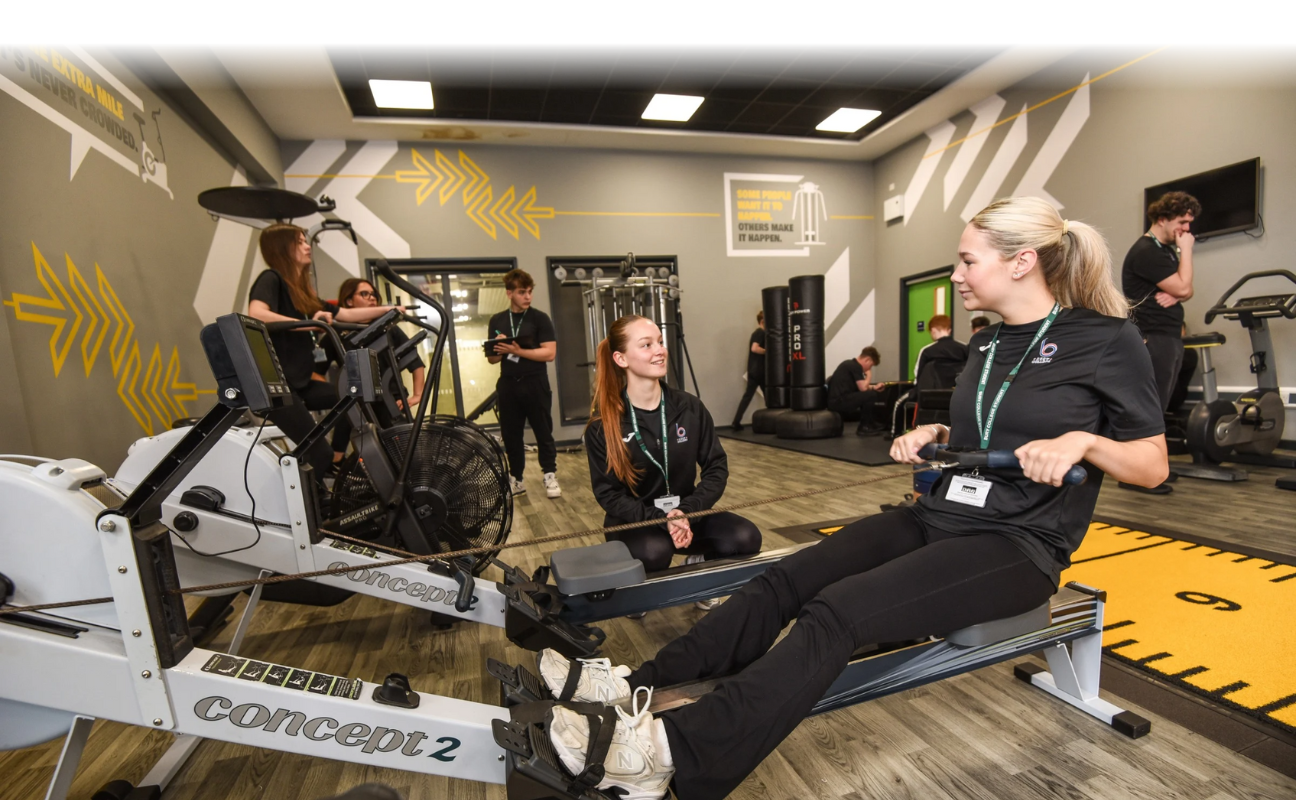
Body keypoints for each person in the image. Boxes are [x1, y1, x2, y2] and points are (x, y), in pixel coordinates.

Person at [534, 196, 1168, 800]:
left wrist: (1085, 442)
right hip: (937, 515)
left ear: (1022, 260)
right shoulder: (986, 342)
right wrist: (936, 433)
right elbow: (984, 433)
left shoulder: (1107, 340)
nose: (957, 272)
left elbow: (1152, 466)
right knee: (783, 579)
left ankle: (668, 752)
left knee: (839, 612)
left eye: (968, 260)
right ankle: (632, 686)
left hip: (1018, 544)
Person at [585, 315, 761, 583]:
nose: (659, 350)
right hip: (635, 522)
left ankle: (699, 564)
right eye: (646, 345)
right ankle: (636, 589)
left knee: (746, 537)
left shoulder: (690, 407)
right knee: (655, 551)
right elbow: (608, 494)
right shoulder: (602, 425)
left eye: (660, 342)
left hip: (687, 513)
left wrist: (687, 511)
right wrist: (659, 518)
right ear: (621, 359)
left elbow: (716, 467)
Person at [246, 224, 402, 476]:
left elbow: (346, 313)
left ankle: (341, 460)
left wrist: (388, 311)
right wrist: (309, 324)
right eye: (300, 242)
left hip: (301, 382)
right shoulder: (271, 278)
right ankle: (312, 505)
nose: (308, 246)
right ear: (282, 248)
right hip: (278, 388)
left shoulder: (301, 293)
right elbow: (257, 314)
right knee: (319, 454)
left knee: (353, 397)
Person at [1120, 190, 1201, 495]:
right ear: (1163, 219)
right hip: (1152, 336)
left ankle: (1152, 471)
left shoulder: (1164, 250)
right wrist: (1187, 253)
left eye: (1189, 225)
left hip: (1166, 336)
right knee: (1149, 410)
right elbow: (1184, 285)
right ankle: (1134, 475)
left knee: (1159, 407)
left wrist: (1181, 289)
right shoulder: (1147, 251)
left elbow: (1186, 290)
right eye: (1182, 223)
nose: (1186, 231)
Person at [486, 268, 560, 498]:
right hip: (508, 384)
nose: (527, 296)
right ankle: (516, 479)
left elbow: (549, 353)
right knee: (511, 434)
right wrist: (499, 346)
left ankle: (549, 475)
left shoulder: (540, 318)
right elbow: (492, 359)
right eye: (521, 292)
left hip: (535, 382)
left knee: (543, 431)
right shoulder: (497, 320)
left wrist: (518, 351)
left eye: (529, 292)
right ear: (509, 294)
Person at [336, 278, 427, 408]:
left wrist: (418, 395)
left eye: (373, 294)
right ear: (349, 301)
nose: (372, 298)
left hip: (392, 400)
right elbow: (317, 370)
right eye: (364, 294)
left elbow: (415, 361)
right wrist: (338, 397)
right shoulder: (337, 331)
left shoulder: (388, 327)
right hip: (356, 404)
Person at [827, 346, 883, 433]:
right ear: (867, 360)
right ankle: (864, 427)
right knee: (871, 395)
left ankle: (870, 422)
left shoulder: (850, 364)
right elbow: (863, 389)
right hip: (838, 402)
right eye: (871, 365)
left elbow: (859, 386)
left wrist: (874, 387)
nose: (869, 369)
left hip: (837, 400)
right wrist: (869, 375)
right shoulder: (855, 367)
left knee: (871, 393)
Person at [731, 310, 766, 431]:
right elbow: (754, 348)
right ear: (762, 322)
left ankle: (736, 421)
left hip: (754, 370)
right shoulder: (760, 333)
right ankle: (773, 421)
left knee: (748, 396)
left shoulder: (757, 333)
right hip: (759, 371)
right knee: (770, 397)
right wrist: (768, 351)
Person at [912, 313, 968, 388]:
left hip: (932, 396)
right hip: (960, 394)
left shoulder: (927, 351)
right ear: (949, 330)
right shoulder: (964, 348)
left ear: (933, 331)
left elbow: (918, 377)